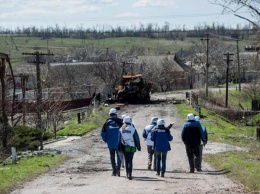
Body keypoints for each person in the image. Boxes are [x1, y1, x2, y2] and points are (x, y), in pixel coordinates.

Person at [101, 108, 123, 176]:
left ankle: (114, 171)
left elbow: (102, 133)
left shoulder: (106, 123)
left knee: (112, 156)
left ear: (110, 115)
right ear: (116, 114)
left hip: (110, 143)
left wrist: (106, 140)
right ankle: (118, 166)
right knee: (120, 155)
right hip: (119, 143)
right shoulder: (121, 122)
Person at [119, 116, 141, 180]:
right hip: (132, 147)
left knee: (126, 160)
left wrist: (118, 147)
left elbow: (119, 139)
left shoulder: (121, 129)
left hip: (124, 147)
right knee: (130, 161)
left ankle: (126, 174)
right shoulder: (133, 128)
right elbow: (136, 138)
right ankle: (130, 174)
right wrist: (138, 146)